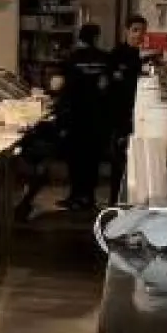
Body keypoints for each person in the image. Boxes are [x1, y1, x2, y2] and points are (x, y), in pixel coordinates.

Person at [58, 23, 116, 210]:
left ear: (80, 37)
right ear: (96, 37)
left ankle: (75, 196)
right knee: (92, 159)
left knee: (75, 159)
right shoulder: (105, 59)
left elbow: (63, 89)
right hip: (98, 118)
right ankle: (89, 197)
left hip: (75, 117)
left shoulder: (71, 59)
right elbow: (109, 88)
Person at [109, 15, 148, 203]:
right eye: (135, 30)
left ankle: (129, 200)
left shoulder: (142, 57)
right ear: (126, 31)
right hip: (119, 116)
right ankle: (115, 202)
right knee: (119, 162)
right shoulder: (116, 55)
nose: (139, 35)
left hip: (139, 115)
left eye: (142, 31)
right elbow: (113, 86)